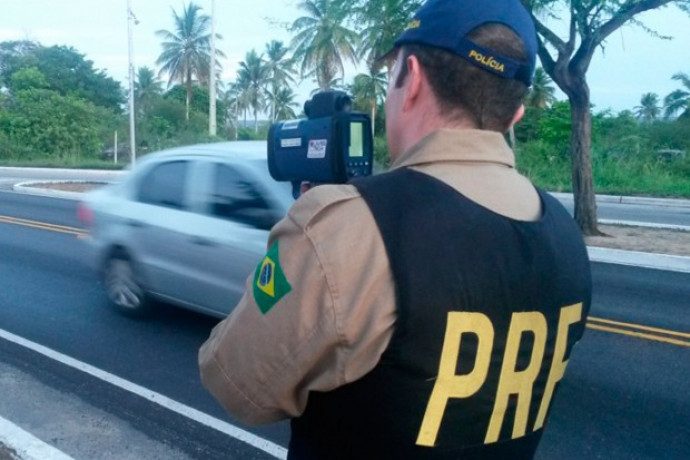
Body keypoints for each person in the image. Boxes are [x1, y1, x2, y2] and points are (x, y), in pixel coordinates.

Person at [199, 0, 592, 458]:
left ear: (413, 81)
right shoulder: (566, 236)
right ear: (514, 116)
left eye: (391, 81)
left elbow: (235, 380)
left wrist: (304, 243)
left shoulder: (345, 226)